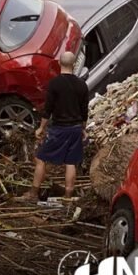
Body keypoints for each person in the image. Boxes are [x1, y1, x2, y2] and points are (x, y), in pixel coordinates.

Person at [25, 52, 89, 202]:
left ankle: (33, 193)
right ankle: (68, 197)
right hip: (75, 129)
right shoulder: (82, 85)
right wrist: (83, 129)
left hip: (59, 129)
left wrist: (41, 128)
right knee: (71, 162)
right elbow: (84, 111)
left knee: (41, 158)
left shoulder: (55, 84)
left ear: (59, 64)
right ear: (74, 65)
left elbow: (48, 110)